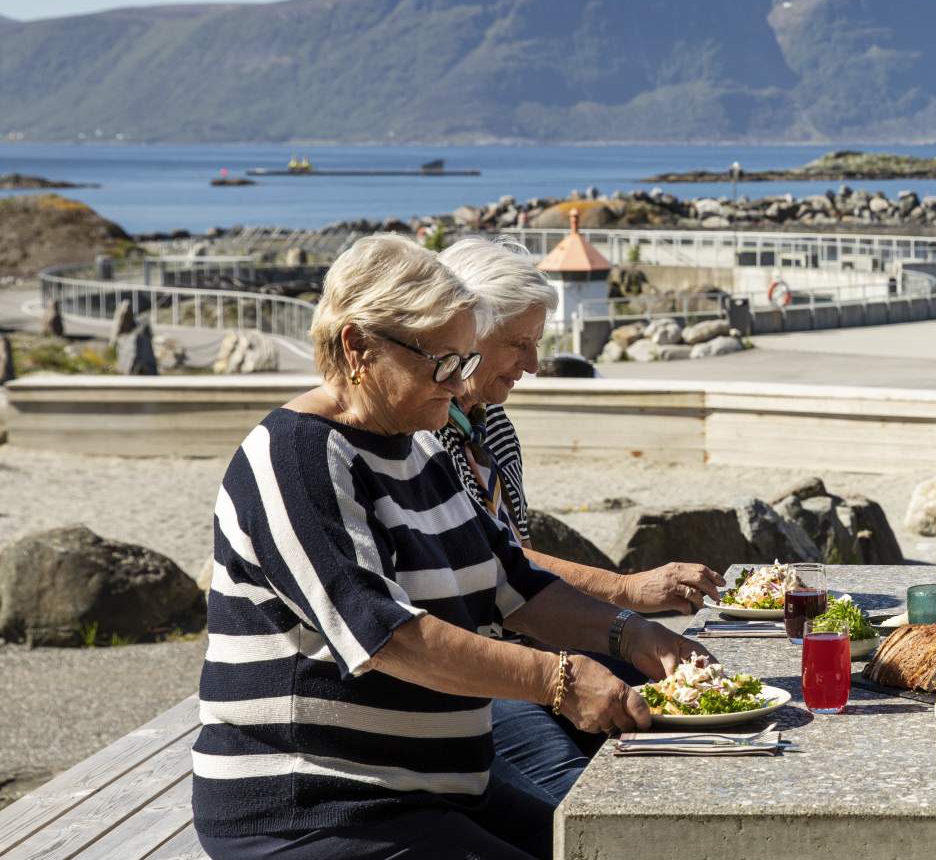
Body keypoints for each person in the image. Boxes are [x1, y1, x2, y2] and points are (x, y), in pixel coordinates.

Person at [192, 235, 701, 860]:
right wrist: (559, 681)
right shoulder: (294, 456)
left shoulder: (417, 446)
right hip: (317, 803)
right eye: (442, 363)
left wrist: (633, 634)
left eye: (465, 361)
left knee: (614, 846)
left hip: (431, 789)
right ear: (358, 347)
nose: (459, 383)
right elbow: (386, 634)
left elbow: (515, 583)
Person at [435, 236, 724, 805]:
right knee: (579, 791)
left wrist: (625, 628)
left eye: (536, 345)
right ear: (464, 333)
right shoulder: (421, 437)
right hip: (473, 665)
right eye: (518, 344)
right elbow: (495, 563)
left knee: (694, 704)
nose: (533, 365)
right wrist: (627, 595)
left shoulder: (493, 427)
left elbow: (516, 565)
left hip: (531, 641)